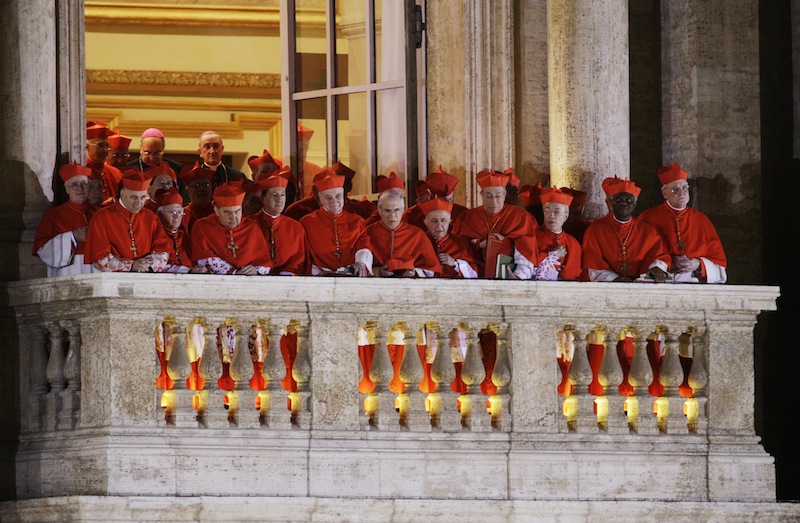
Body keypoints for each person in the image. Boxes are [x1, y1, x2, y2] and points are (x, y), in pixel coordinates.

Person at [638, 162, 727, 283]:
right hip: (661, 280)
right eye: (675, 190)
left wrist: (698, 264)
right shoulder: (648, 217)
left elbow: (719, 263)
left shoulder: (701, 220)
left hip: (693, 281)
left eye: (684, 187)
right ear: (665, 193)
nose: (682, 193)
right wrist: (665, 264)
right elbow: (638, 255)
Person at [451, 169, 539, 279]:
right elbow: (457, 248)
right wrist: (479, 244)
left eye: (498, 196)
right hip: (474, 277)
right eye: (489, 196)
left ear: (504, 195)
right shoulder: (467, 218)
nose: (494, 201)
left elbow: (526, 251)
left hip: (509, 278)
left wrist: (517, 276)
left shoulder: (520, 217)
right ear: (481, 194)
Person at [581, 177, 670, 282]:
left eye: (629, 200)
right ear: (612, 203)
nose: (624, 203)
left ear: (634, 204)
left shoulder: (648, 230)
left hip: (641, 285)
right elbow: (593, 263)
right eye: (619, 200)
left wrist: (656, 267)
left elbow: (659, 255)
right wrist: (615, 279)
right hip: (609, 286)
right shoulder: (596, 229)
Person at [84, 170, 170, 272]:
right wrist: (130, 265)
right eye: (134, 197)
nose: (139, 203)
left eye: (143, 197)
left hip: (146, 276)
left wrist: (147, 265)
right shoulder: (102, 216)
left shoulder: (150, 217)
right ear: (122, 193)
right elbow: (99, 257)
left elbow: (163, 249)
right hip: (114, 280)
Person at [300, 171, 373, 276]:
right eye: (328, 198)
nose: (334, 201)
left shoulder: (357, 221)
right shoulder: (306, 223)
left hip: (352, 274)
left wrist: (360, 263)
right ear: (320, 199)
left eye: (338, 196)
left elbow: (364, 245)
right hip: (319, 277)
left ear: (343, 196)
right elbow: (304, 256)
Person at [190, 182, 272, 275]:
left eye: (237, 211)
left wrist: (255, 269)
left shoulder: (251, 227)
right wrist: (234, 272)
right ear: (216, 210)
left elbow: (264, 262)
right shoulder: (202, 226)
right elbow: (203, 259)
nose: (233, 217)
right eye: (228, 213)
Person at [33, 163, 98, 276]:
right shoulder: (53, 215)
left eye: (84, 184)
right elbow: (42, 249)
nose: (80, 189)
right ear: (66, 189)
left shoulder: (99, 213)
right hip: (68, 271)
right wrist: (73, 236)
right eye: (74, 185)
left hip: (97, 269)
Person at [367, 191, 440, 277]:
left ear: (403, 210)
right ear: (379, 211)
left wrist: (414, 272)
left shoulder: (417, 234)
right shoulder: (368, 232)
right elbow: (357, 265)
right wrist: (377, 271)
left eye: (396, 210)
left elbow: (432, 269)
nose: (392, 216)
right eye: (387, 211)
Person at [249, 172, 310, 275]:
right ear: (263, 199)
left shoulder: (296, 227)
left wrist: (286, 274)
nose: (280, 200)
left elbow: (299, 258)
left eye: (282, 195)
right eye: (274, 195)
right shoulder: (249, 224)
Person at [284, 161, 373, 221]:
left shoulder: (357, 213)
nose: (333, 200)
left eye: (338, 193)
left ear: (348, 188)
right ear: (315, 190)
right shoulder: (297, 210)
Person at [420, 196, 481, 278]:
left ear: (449, 222)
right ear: (426, 222)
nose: (439, 225)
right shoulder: (417, 242)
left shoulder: (463, 244)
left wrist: (454, 263)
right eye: (434, 221)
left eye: (443, 220)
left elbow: (474, 274)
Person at [533, 187, 582, 281]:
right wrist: (551, 255)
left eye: (557, 212)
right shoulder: (532, 237)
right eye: (547, 211)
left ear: (566, 216)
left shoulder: (573, 243)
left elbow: (573, 276)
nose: (551, 215)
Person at [155, 187, 204, 274]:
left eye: (180, 212)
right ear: (160, 214)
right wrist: (187, 271)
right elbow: (158, 266)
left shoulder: (185, 237)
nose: (177, 217)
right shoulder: (155, 235)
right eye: (172, 212)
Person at [404, 166, 466, 230]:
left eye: (450, 200)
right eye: (443, 202)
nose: (447, 204)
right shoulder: (412, 216)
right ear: (431, 196)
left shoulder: (462, 213)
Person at [85, 121, 122, 205]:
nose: (105, 150)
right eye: (100, 146)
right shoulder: (82, 172)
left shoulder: (116, 172)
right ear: (87, 147)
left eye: (107, 146)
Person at [180, 163, 216, 232]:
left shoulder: (219, 213)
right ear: (187, 191)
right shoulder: (183, 215)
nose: (202, 189)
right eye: (197, 186)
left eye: (206, 185)